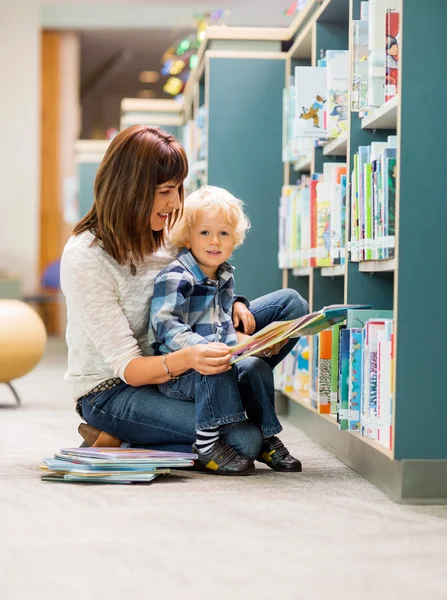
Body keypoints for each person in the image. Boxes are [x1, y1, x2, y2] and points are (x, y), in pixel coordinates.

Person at [60, 125, 308, 475]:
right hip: (116, 390)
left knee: (291, 307)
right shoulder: (85, 257)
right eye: (165, 191)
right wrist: (194, 355)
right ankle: (122, 436)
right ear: (131, 189)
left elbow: (200, 282)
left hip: (184, 363)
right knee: (243, 442)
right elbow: (129, 368)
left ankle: (227, 397)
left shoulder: (166, 236)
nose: (176, 203)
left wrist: (235, 303)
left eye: (178, 189)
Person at [150, 185, 302, 475]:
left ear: (235, 239)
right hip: (182, 373)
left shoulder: (223, 274)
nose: (214, 241)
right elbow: (165, 325)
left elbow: (217, 312)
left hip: (221, 357)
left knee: (256, 365)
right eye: (205, 233)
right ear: (188, 236)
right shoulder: (175, 276)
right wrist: (203, 348)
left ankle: (267, 437)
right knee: (215, 362)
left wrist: (238, 304)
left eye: (224, 234)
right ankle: (206, 443)